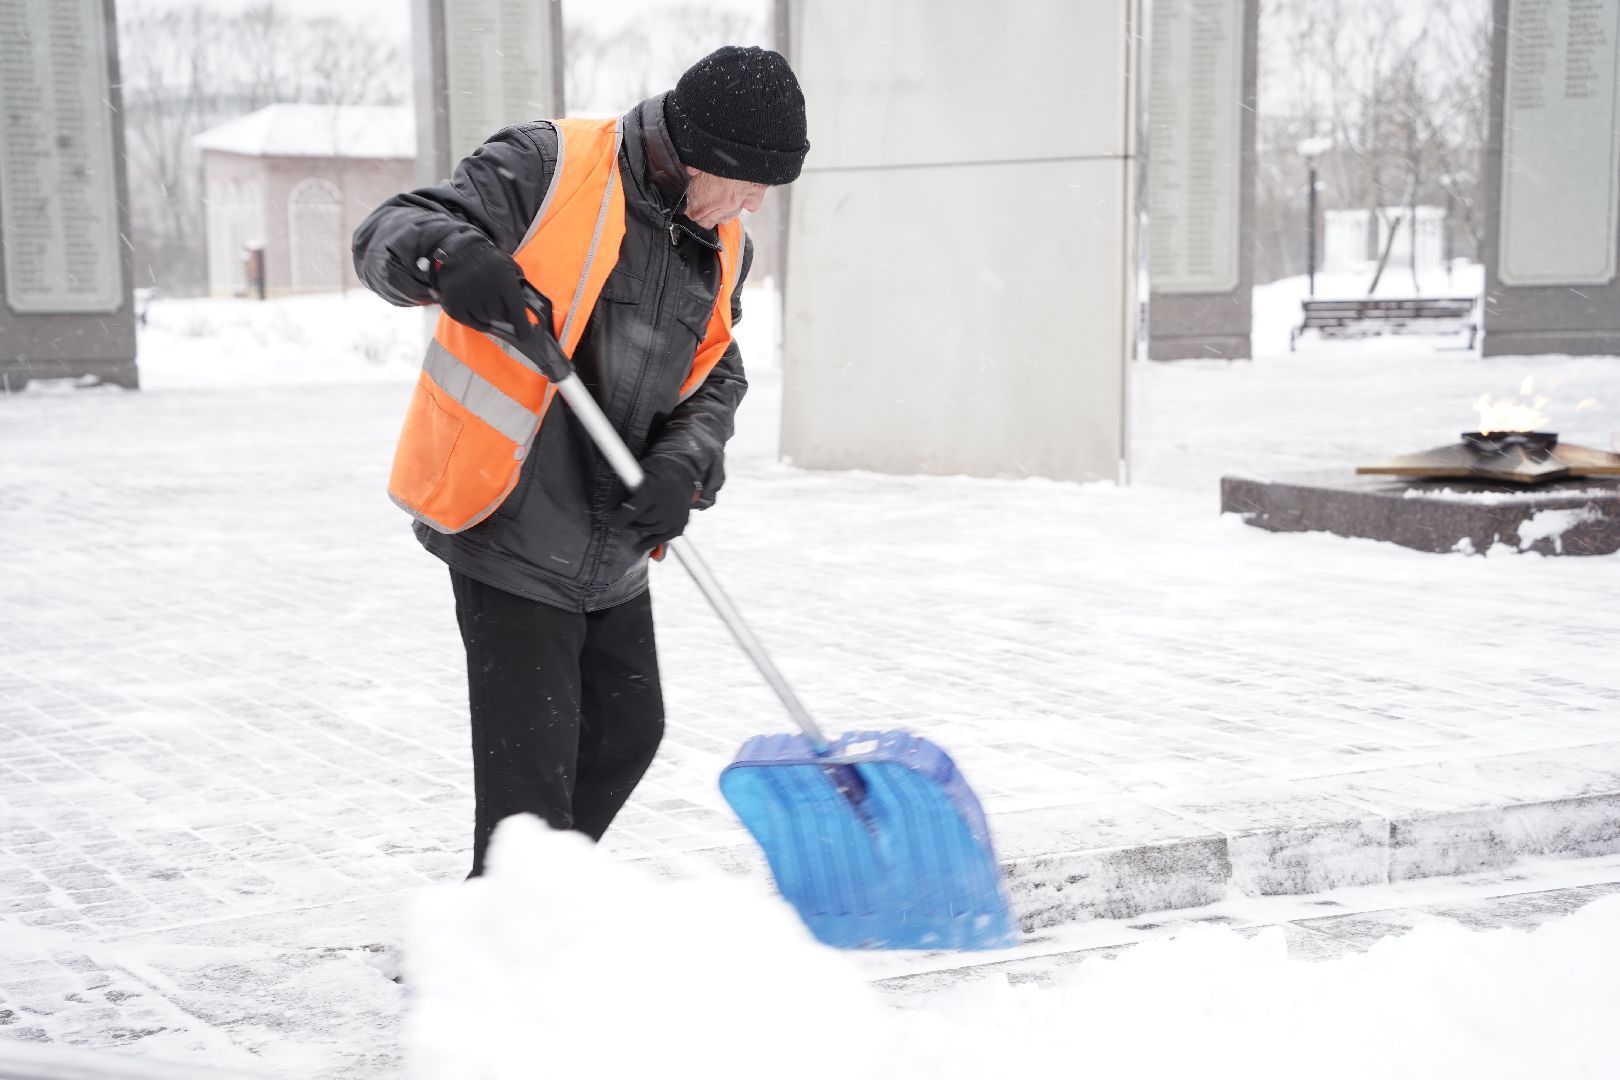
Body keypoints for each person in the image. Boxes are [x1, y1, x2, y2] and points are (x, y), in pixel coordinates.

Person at [352, 46, 809, 877]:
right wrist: (449, 257)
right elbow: (388, 230)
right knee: (531, 783)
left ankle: (520, 904)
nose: (755, 203)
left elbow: (717, 374)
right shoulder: (549, 164)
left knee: (626, 734)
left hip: (614, 543)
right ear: (701, 152)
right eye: (749, 182)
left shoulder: (723, 239)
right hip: (508, 520)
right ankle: (509, 933)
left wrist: (686, 466)